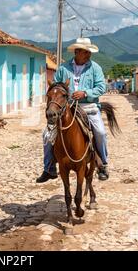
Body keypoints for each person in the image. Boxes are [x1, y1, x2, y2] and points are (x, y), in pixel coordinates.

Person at [37, 38, 110, 183]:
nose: (88, 54)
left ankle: (103, 164)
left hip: (88, 107)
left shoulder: (95, 68)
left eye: (89, 52)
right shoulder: (63, 68)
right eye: (85, 52)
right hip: (67, 108)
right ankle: (49, 168)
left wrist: (85, 93)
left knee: (100, 132)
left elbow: (102, 87)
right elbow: (55, 87)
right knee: (47, 135)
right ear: (77, 52)